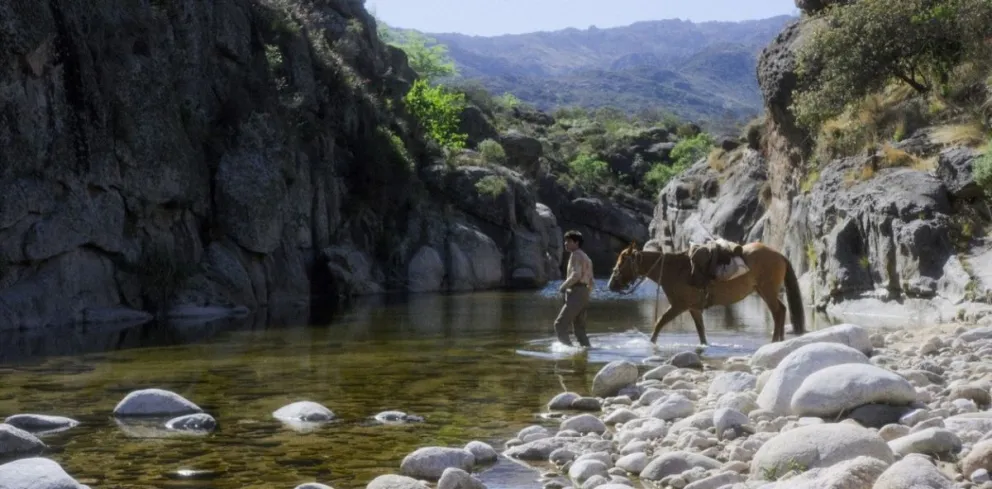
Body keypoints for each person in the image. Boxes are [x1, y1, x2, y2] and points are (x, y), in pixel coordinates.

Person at [553, 230, 594, 347]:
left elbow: (576, 275)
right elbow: (591, 279)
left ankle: (568, 352)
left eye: (569, 241)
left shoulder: (576, 255)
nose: (565, 243)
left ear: (576, 243)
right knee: (580, 330)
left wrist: (563, 287)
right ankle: (585, 353)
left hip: (577, 291)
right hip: (584, 292)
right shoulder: (586, 256)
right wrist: (586, 294)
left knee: (559, 324)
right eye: (565, 241)